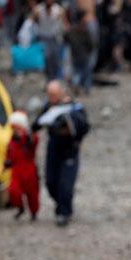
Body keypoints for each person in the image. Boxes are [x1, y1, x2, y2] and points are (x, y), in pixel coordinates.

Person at [32, 80, 90, 226]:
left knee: (66, 184)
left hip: (70, 150)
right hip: (53, 149)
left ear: (62, 93)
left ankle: (64, 213)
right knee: (51, 182)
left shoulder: (75, 108)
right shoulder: (49, 107)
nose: (51, 97)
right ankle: (62, 205)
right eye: (49, 94)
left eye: (54, 95)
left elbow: (84, 127)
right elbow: (37, 124)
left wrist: (69, 122)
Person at [5, 110, 41, 221]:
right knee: (13, 191)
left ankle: (34, 213)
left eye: (18, 127)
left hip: (29, 170)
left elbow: (35, 140)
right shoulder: (11, 140)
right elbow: (8, 154)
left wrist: (30, 138)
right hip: (16, 170)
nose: (16, 130)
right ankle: (20, 207)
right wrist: (7, 162)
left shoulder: (29, 138)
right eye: (14, 127)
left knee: (32, 194)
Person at [33, 0, 69, 80]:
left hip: (55, 38)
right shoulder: (38, 10)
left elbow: (65, 24)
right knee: (46, 60)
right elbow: (34, 22)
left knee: (56, 60)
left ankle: (55, 79)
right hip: (43, 38)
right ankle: (49, 79)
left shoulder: (59, 10)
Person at [65, 9, 96, 94]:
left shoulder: (72, 30)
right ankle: (86, 89)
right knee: (86, 72)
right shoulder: (84, 30)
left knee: (77, 72)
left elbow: (66, 39)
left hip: (75, 55)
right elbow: (90, 44)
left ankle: (76, 84)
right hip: (84, 55)